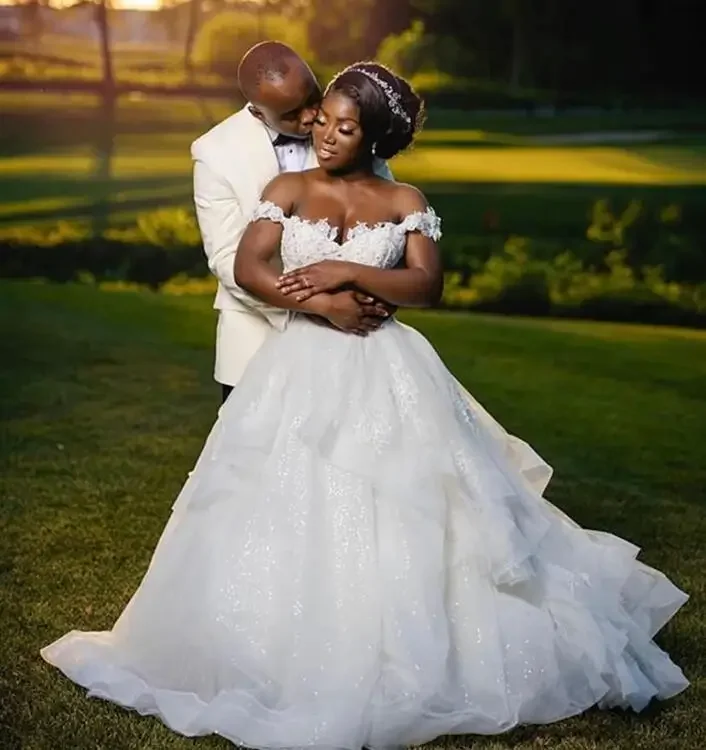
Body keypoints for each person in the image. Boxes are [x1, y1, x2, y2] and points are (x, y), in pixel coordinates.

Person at [41, 63, 688, 748]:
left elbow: (425, 284)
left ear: (374, 137)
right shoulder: (286, 188)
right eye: (322, 120)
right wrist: (321, 302)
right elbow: (249, 267)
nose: (325, 133)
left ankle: (408, 644)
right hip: (298, 367)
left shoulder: (402, 197)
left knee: (410, 498)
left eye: (344, 127)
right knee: (283, 495)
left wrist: (349, 269)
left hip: (390, 372)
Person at [191, 41, 393, 403]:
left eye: (313, 97)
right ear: (257, 111)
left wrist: (363, 300)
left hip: (355, 343)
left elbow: (387, 223)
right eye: (291, 114)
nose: (311, 116)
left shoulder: (347, 124)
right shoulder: (215, 154)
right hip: (256, 341)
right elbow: (226, 259)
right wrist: (321, 306)